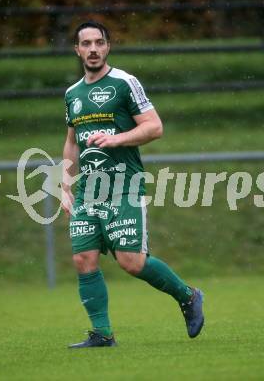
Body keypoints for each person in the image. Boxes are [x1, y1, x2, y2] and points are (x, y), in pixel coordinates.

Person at [61, 21, 204, 348]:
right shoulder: (72, 94)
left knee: (131, 261)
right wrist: (65, 185)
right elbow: (72, 142)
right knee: (83, 259)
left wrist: (117, 138)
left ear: (108, 46)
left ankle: (188, 296)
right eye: (86, 43)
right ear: (77, 50)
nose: (93, 49)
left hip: (124, 186)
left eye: (99, 42)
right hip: (88, 191)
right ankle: (102, 334)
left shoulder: (125, 83)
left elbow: (154, 127)